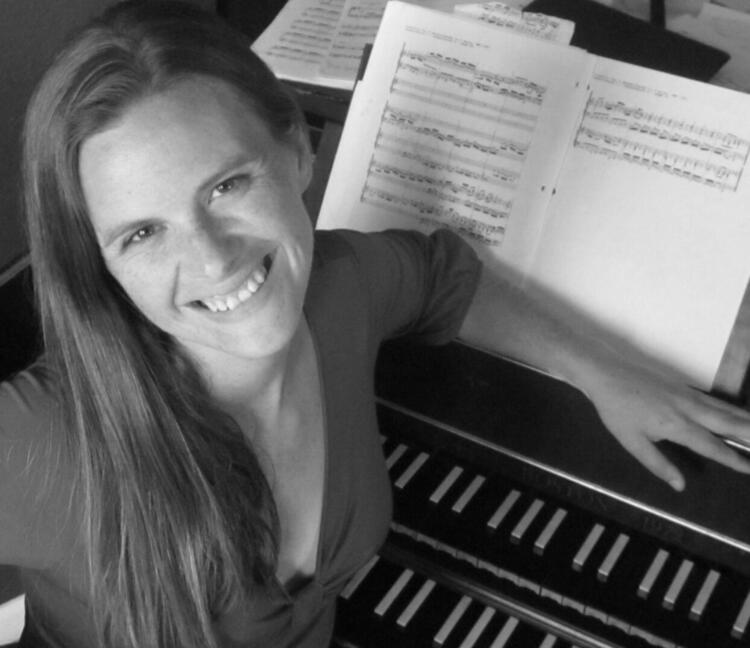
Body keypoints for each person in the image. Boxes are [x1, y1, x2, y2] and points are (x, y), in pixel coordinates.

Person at [3, 1, 750, 647]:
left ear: (298, 151)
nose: (211, 258)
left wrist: (604, 371)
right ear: (98, 261)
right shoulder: (41, 441)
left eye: (227, 185)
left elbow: (441, 275)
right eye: (142, 233)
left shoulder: (341, 287)